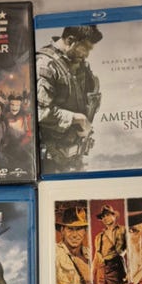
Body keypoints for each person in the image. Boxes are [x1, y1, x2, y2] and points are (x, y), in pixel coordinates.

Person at [36, 25, 102, 173]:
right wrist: (77, 119)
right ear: (70, 40)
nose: (87, 54)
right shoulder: (45, 65)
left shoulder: (80, 65)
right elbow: (39, 112)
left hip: (75, 160)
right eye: (85, 48)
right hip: (50, 163)